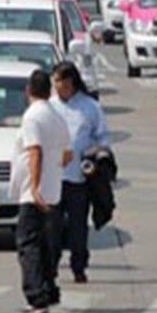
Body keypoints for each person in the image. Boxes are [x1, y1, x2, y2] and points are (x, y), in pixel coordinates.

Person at [11, 69, 71, 313]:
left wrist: (35, 186)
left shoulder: (32, 117)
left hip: (33, 193)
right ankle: (48, 291)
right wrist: (53, 173)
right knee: (47, 245)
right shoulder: (56, 116)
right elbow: (68, 154)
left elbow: (35, 152)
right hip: (54, 190)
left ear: (28, 91)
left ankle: (36, 297)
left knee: (29, 244)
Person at [50, 62, 110, 285]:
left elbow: (103, 138)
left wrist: (94, 155)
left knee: (78, 227)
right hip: (53, 179)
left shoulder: (90, 107)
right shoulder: (49, 107)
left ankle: (79, 267)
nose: (59, 88)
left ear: (72, 83)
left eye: (62, 83)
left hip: (79, 178)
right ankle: (52, 266)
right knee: (52, 227)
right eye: (55, 83)